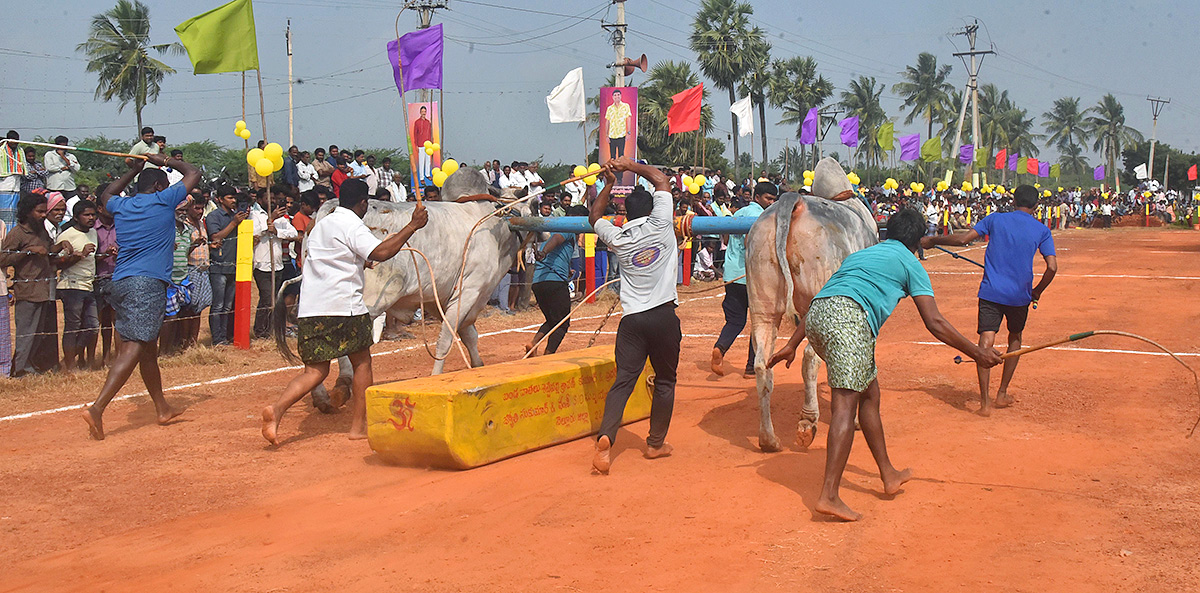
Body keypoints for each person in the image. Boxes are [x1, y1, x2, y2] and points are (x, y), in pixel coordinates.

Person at [766, 208, 1001, 521]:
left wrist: (792, 344)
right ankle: (829, 495)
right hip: (849, 323)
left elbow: (826, 297)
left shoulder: (861, 256)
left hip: (819, 317)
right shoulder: (909, 262)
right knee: (844, 408)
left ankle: (888, 473)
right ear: (917, 241)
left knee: (870, 395)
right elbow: (934, 321)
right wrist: (977, 352)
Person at [262, 179, 428, 445]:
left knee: (315, 371)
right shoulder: (351, 224)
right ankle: (358, 426)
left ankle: (277, 410)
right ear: (362, 203)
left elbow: (337, 258)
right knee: (362, 362)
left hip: (312, 307)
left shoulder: (321, 225)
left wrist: (360, 262)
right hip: (344, 307)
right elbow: (383, 251)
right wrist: (412, 225)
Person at [84, 154, 200, 440]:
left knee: (148, 347)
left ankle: (161, 407)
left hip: (122, 282)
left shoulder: (122, 204)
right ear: (161, 185)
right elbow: (193, 172)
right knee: (134, 346)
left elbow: (106, 194)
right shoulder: (163, 200)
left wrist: (133, 171)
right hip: (146, 283)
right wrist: (160, 159)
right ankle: (97, 408)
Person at [921, 184, 1057, 415]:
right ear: (1036, 206)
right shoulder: (1041, 230)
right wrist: (1037, 291)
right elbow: (1052, 267)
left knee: (986, 341)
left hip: (991, 292)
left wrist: (934, 241)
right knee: (1015, 338)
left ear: (1013, 201)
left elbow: (964, 240)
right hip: (1020, 295)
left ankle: (984, 404)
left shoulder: (995, 219)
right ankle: (1001, 393)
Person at [588, 157, 679, 474]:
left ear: (625, 212)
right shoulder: (662, 224)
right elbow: (661, 179)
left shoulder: (617, 237)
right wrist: (630, 164)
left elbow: (594, 216)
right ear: (654, 208)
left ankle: (606, 438)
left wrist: (609, 183)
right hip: (663, 315)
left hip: (632, 321)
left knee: (623, 382)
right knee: (665, 380)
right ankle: (655, 444)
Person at [711, 181, 777, 377]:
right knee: (759, 321)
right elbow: (751, 242)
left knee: (735, 320)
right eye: (768, 198)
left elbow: (725, 239)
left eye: (773, 199)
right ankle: (751, 367)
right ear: (758, 198)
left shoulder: (738, 213)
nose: (771, 202)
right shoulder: (762, 216)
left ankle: (720, 348)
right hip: (753, 277)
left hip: (732, 275)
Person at [0, 192, 68, 376]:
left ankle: (29, 365)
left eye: (45, 211)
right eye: (40, 212)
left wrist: (61, 246)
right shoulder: (18, 233)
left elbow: (47, 251)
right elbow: (3, 259)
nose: (44, 215)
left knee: (37, 333)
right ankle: (19, 369)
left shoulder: (41, 231)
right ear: (28, 212)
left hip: (44, 289)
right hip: (27, 290)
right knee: (26, 334)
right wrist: (28, 252)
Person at [525, 201, 575, 356]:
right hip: (554, 282)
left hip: (539, 281)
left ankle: (533, 344)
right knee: (562, 322)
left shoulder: (552, 231)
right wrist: (544, 252)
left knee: (553, 319)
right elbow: (557, 240)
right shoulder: (568, 228)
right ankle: (548, 355)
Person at [56, 200, 100, 370]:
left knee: (93, 327)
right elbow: (57, 263)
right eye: (86, 215)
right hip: (71, 286)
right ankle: (69, 366)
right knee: (72, 327)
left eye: (93, 214)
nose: (91, 218)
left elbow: (92, 259)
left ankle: (71, 359)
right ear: (75, 217)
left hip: (88, 285)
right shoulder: (67, 235)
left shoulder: (93, 233)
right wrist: (79, 255)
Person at [251, 191, 297, 338]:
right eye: (267, 198)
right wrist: (270, 221)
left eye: (273, 198)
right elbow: (253, 233)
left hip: (277, 264)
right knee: (267, 297)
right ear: (259, 199)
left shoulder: (281, 217)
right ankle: (261, 330)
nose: (271, 201)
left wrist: (277, 231)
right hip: (262, 263)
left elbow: (293, 233)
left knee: (275, 298)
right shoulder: (254, 214)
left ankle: (269, 329)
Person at [206, 186, 247, 346]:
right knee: (218, 305)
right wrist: (234, 223)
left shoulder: (236, 215)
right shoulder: (213, 216)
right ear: (220, 199)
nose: (234, 201)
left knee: (228, 306)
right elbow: (216, 237)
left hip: (234, 266)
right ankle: (217, 339)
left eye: (234, 198)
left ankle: (224, 337)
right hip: (219, 266)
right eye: (230, 197)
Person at [93, 188, 120, 364]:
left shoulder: (121, 226)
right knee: (101, 321)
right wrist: (103, 254)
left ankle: (116, 356)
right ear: (100, 209)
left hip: (117, 276)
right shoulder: (92, 229)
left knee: (117, 319)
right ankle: (101, 357)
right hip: (98, 277)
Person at [604, 89, 632, 160]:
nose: (617, 97)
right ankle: (612, 170)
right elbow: (607, 121)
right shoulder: (610, 108)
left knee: (621, 156)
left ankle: (620, 171)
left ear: (621, 96)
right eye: (615, 95)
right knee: (612, 156)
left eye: (618, 95)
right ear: (613, 97)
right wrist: (607, 135)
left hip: (621, 134)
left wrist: (628, 132)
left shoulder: (626, 106)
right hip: (612, 135)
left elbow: (628, 119)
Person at [413, 105, 433, 183]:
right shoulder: (417, 122)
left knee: (428, 160)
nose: (423, 113)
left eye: (425, 111)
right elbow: (415, 134)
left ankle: (427, 174)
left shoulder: (428, 122)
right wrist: (416, 145)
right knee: (422, 161)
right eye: (422, 112)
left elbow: (430, 133)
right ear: (420, 112)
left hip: (428, 144)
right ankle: (421, 177)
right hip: (420, 144)